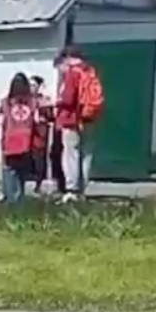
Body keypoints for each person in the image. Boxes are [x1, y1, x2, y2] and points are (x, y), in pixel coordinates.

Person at [53, 45, 104, 202]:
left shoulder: (73, 73)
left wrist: (58, 102)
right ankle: (82, 188)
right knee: (86, 154)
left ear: (67, 59)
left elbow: (68, 99)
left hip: (72, 120)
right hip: (89, 118)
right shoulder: (90, 71)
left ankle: (72, 189)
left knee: (71, 154)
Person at [0, 73, 40, 203]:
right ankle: (19, 197)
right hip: (26, 139)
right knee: (22, 171)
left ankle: (11, 197)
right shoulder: (33, 102)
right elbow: (37, 120)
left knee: (9, 169)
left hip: (10, 138)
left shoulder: (5, 102)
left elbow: (1, 121)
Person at [29, 74, 53, 193]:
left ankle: (39, 182)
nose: (31, 88)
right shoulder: (25, 99)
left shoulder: (44, 100)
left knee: (39, 156)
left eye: (34, 85)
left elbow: (50, 116)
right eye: (30, 85)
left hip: (40, 131)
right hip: (28, 131)